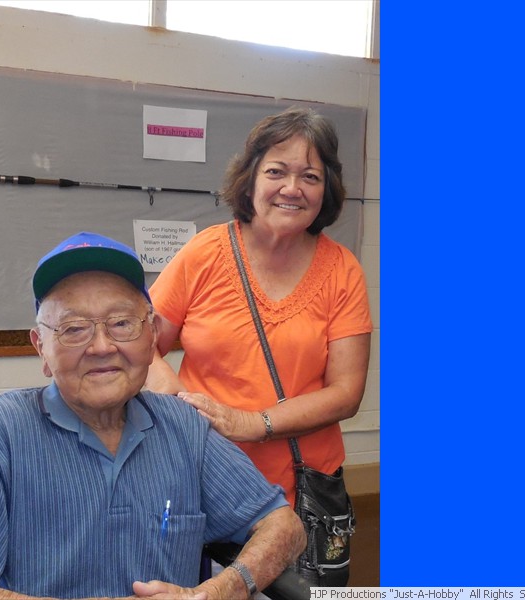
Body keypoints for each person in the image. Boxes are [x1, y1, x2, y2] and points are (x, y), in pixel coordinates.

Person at [0, 231, 306, 600]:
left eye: (121, 323)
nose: (102, 347)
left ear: (151, 338)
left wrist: (223, 589)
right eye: (73, 329)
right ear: (41, 349)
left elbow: (284, 525)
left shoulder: (184, 426)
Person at [146, 106, 373, 508]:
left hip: (302, 490)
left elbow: (346, 393)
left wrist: (252, 424)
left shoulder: (343, 270)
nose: (292, 187)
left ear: (327, 191)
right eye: (276, 171)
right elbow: (140, 345)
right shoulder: (204, 253)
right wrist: (178, 403)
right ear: (249, 179)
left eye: (311, 176)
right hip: (204, 477)